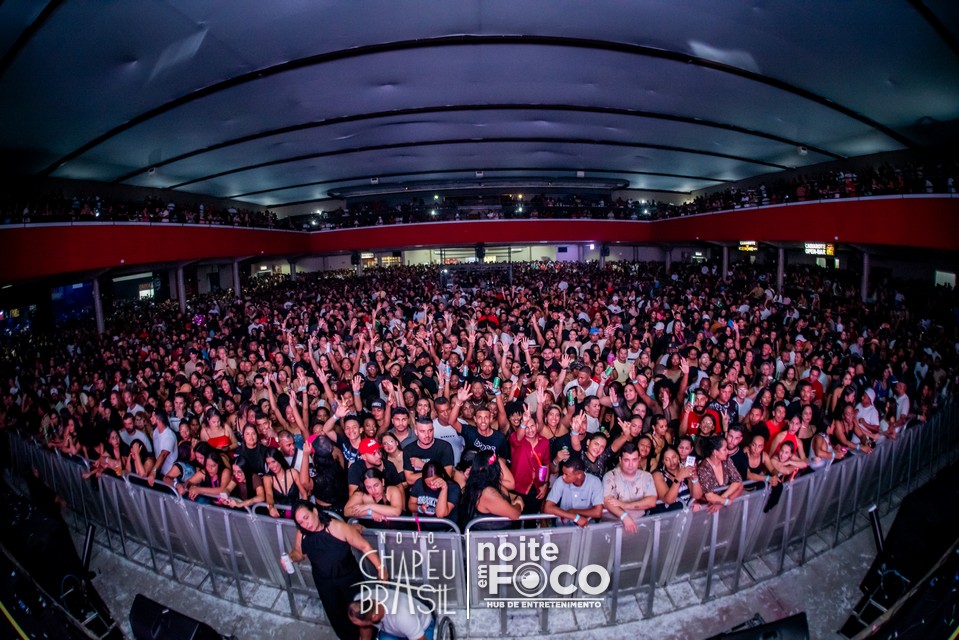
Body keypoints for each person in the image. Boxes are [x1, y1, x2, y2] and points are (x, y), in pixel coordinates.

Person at [288, 501, 386, 640]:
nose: (306, 524)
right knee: (337, 616)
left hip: (349, 578)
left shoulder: (337, 527)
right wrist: (291, 557)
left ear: (314, 511)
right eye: (301, 522)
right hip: (324, 582)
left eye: (306, 518)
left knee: (362, 614)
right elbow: (299, 553)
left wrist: (380, 568)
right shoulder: (302, 533)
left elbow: (364, 546)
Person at [602, 442, 658, 534]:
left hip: (639, 525)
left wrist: (625, 505)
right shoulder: (610, 476)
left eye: (634, 460)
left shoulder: (646, 476)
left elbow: (651, 501)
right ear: (620, 460)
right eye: (627, 460)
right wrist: (624, 516)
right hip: (612, 527)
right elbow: (607, 501)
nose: (631, 464)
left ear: (639, 459)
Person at [459, 452, 522, 529]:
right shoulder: (488, 493)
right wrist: (518, 504)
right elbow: (514, 514)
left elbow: (506, 494)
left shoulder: (486, 483)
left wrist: (516, 497)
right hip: (490, 534)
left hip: (498, 532)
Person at [348, 590, 434, 640]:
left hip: (422, 628)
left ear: (374, 617)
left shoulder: (403, 617)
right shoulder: (360, 601)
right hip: (393, 631)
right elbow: (365, 628)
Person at [543, 457, 604, 527]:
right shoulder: (560, 481)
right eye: (563, 473)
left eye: (566, 474)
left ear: (579, 475)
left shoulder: (595, 482)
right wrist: (575, 517)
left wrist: (573, 511)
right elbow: (547, 508)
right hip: (563, 527)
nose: (563, 477)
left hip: (587, 526)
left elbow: (598, 512)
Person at [696, 435, 744, 510]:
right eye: (724, 449)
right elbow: (709, 496)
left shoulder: (726, 460)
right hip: (705, 508)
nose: (727, 451)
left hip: (720, 507)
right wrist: (725, 501)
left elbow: (737, 480)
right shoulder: (703, 468)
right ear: (715, 452)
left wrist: (723, 499)